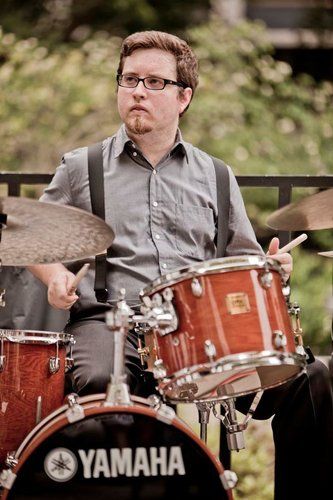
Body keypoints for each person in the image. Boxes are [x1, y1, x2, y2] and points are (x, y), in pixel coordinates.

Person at [28, 31, 332, 499]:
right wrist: (56, 277)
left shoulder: (215, 174)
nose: (138, 92)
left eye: (154, 81)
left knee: (311, 381)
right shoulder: (81, 167)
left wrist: (270, 270)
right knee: (103, 384)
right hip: (115, 321)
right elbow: (37, 239)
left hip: (202, 327)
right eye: (129, 79)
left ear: (183, 96)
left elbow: (243, 258)